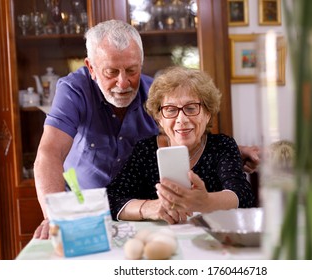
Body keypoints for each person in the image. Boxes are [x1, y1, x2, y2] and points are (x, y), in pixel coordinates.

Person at [33, 19, 259, 239]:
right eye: (111, 72)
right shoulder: (74, 90)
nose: (123, 83)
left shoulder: (155, 94)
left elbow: (185, 134)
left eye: (131, 70)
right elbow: (49, 153)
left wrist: (231, 150)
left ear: (141, 64)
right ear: (91, 68)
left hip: (153, 225)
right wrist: (55, 216)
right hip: (84, 205)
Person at [107, 66, 255, 224]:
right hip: (162, 241)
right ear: (160, 118)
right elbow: (112, 199)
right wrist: (148, 207)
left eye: (191, 108)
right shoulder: (145, 150)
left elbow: (243, 196)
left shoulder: (222, 146)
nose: (181, 119)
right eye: (170, 110)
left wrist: (206, 202)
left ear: (207, 114)